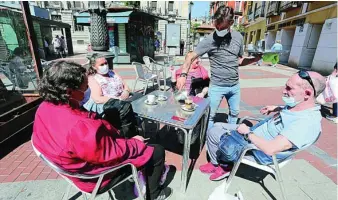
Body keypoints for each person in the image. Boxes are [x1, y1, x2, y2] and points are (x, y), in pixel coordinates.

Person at [32, 60, 172, 200]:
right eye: (85, 87)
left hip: (72, 162)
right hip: (94, 177)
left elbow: (86, 124)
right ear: (69, 91)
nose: (88, 90)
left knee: (116, 117)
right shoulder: (79, 127)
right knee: (157, 151)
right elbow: (110, 153)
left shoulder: (45, 107)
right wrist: (135, 143)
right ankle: (154, 194)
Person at [199, 71, 326, 181]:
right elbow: (291, 113)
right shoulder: (302, 106)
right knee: (217, 125)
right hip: (253, 134)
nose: (284, 91)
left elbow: (270, 149)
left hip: (255, 149)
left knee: (214, 132)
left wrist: (247, 133)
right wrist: (276, 108)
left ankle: (224, 166)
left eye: (289, 88)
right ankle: (219, 161)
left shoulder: (305, 124)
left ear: (307, 94)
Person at [176, 6, 261, 130]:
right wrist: (183, 75)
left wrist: (254, 59)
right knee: (210, 115)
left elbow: (239, 60)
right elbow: (190, 56)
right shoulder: (209, 40)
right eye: (217, 25)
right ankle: (209, 139)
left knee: (234, 113)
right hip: (217, 86)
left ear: (231, 23)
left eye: (222, 27)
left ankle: (230, 136)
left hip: (234, 86)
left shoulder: (238, 37)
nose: (219, 29)